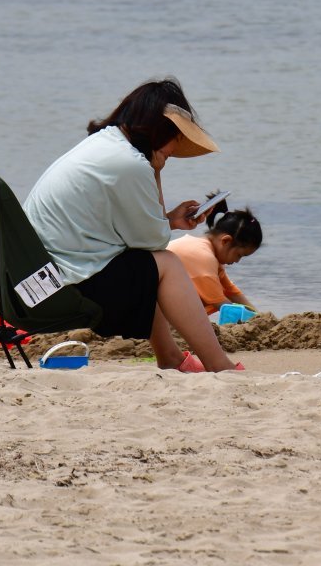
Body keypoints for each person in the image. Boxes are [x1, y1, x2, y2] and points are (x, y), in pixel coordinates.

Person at [23, 79, 243, 372]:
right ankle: (218, 365)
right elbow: (153, 242)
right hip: (63, 285)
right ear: (161, 129)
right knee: (166, 263)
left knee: (144, 261)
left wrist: (170, 220)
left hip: (39, 278)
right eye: (175, 136)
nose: (175, 148)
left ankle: (171, 357)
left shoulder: (104, 144)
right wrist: (155, 172)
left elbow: (135, 232)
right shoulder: (131, 163)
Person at [167, 200, 263, 316]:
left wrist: (258, 316)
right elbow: (222, 304)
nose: (237, 261)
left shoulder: (207, 253)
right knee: (206, 295)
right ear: (226, 241)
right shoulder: (203, 256)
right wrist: (249, 319)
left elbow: (231, 292)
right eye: (239, 255)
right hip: (148, 299)